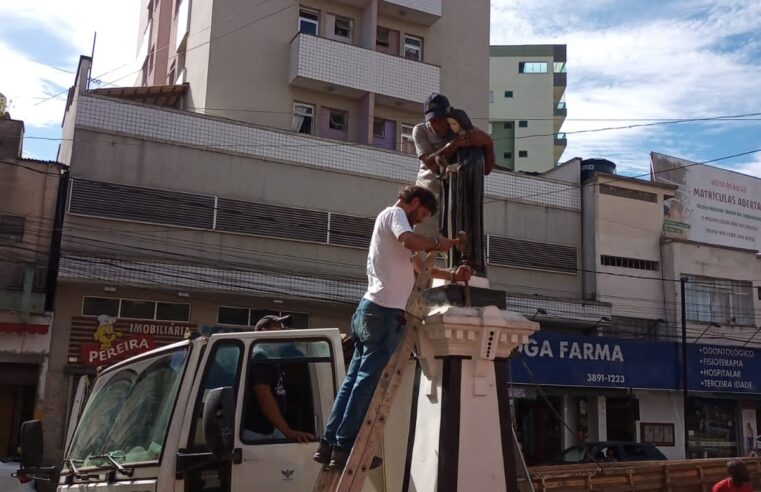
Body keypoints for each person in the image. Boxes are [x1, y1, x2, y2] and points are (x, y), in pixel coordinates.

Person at [313, 185, 471, 470]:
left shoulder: (393, 227)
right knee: (365, 383)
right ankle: (344, 446)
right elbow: (411, 240)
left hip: (370, 310)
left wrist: (451, 274)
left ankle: (329, 445)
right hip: (383, 312)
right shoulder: (396, 215)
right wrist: (437, 242)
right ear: (411, 202)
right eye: (420, 213)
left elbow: (420, 266)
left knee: (353, 381)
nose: (418, 220)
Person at [412, 94, 494, 272]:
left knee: (455, 250)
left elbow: (486, 168)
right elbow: (433, 164)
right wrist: (454, 144)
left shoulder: (461, 129)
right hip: (427, 199)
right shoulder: (420, 131)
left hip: (453, 201)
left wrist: (488, 143)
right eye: (433, 121)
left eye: (441, 120)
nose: (438, 125)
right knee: (416, 252)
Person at [243, 314, 314, 443]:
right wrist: (288, 432)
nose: (284, 329)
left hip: (270, 429)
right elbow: (264, 397)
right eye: (279, 326)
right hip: (257, 433)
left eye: (284, 326)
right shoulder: (260, 356)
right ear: (264, 332)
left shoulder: (272, 356)